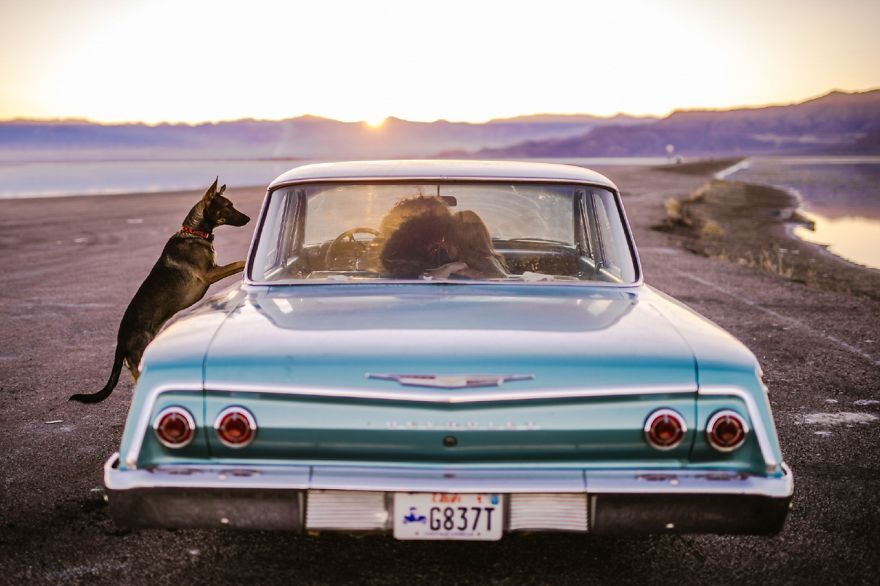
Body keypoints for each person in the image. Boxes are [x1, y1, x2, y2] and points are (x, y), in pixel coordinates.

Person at [379, 196, 508, 279]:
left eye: (446, 239)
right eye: (441, 237)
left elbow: (498, 279)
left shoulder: (483, 263)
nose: (442, 244)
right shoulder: (403, 260)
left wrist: (466, 272)